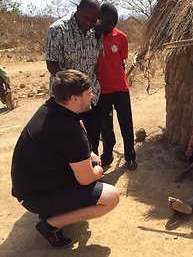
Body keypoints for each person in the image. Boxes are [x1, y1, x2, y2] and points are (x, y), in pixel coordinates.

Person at [11, 70, 119, 248]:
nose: (92, 94)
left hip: (30, 187)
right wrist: (98, 171)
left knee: (89, 167)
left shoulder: (53, 107)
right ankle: (50, 225)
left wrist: (89, 154)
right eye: (88, 92)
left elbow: (78, 123)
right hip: (36, 196)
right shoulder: (68, 130)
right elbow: (85, 179)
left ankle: (51, 212)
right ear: (75, 98)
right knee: (110, 196)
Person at [45, 0, 103, 155]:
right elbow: (52, 64)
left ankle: (91, 174)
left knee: (91, 141)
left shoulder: (96, 32)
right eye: (86, 17)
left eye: (93, 19)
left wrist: (94, 88)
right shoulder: (58, 30)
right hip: (67, 100)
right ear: (77, 9)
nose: (89, 22)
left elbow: (96, 61)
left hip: (90, 97)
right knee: (67, 144)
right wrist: (72, 90)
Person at [96, 3, 137, 170]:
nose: (110, 26)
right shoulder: (92, 36)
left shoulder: (122, 38)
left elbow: (122, 61)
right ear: (99, 18)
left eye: (114, 23)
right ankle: (107, 155)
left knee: (126, 124)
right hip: (101, 90)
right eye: (107, 22)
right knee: (105, 127)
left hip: (120, 88)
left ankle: (130, 157)